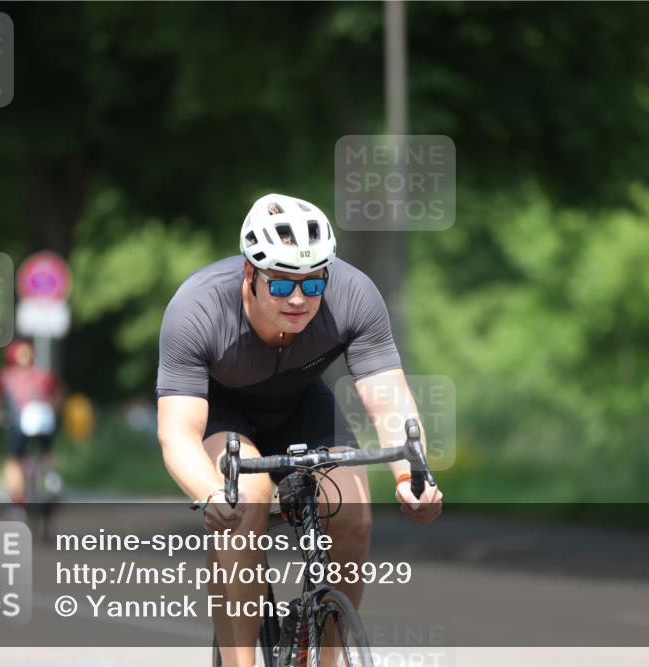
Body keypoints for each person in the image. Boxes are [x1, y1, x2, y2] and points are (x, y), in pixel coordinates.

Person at [156, 193, 444, 667]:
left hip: (301, 404)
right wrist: (211, 494)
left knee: (354, 516)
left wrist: (412, 477)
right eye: (281, 284)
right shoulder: (196, 309)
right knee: (244, 505)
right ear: (249, 273)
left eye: (312, 286)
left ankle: (326, 658)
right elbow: (178, 432)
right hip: (224, 413)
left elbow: (388, 398)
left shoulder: (354, 294)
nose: (297, 299)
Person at [0, 339, 65, 503]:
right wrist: (55, 411)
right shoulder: (43, 374)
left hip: (20, 422)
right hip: (45, 419)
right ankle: (52, 478)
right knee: (47, 451)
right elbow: (59, 393)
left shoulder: (7, 376)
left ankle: (17, 497)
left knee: (15, 460)